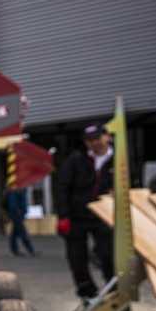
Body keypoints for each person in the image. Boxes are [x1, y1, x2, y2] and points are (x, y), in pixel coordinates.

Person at [56, 123, 114, 299]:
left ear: (107, 137)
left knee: (108, 255)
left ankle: (116, 293)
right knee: (76, 258)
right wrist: (63, 216)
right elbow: (62, 187)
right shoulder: (76, 159)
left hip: (105, 216)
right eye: (89, 140)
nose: (94, 143)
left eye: (97, 138)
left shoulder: (118, 160)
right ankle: (87, 293)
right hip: (77, 216)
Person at [5, 188, 35, 256]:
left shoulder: (20, 190)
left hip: (18, 214)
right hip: (17, 215)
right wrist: (19, 213)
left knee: (14, 233)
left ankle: (15, 250)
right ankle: (30, 249)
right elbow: (13, 205)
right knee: (23, 232)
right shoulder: (15, 190)